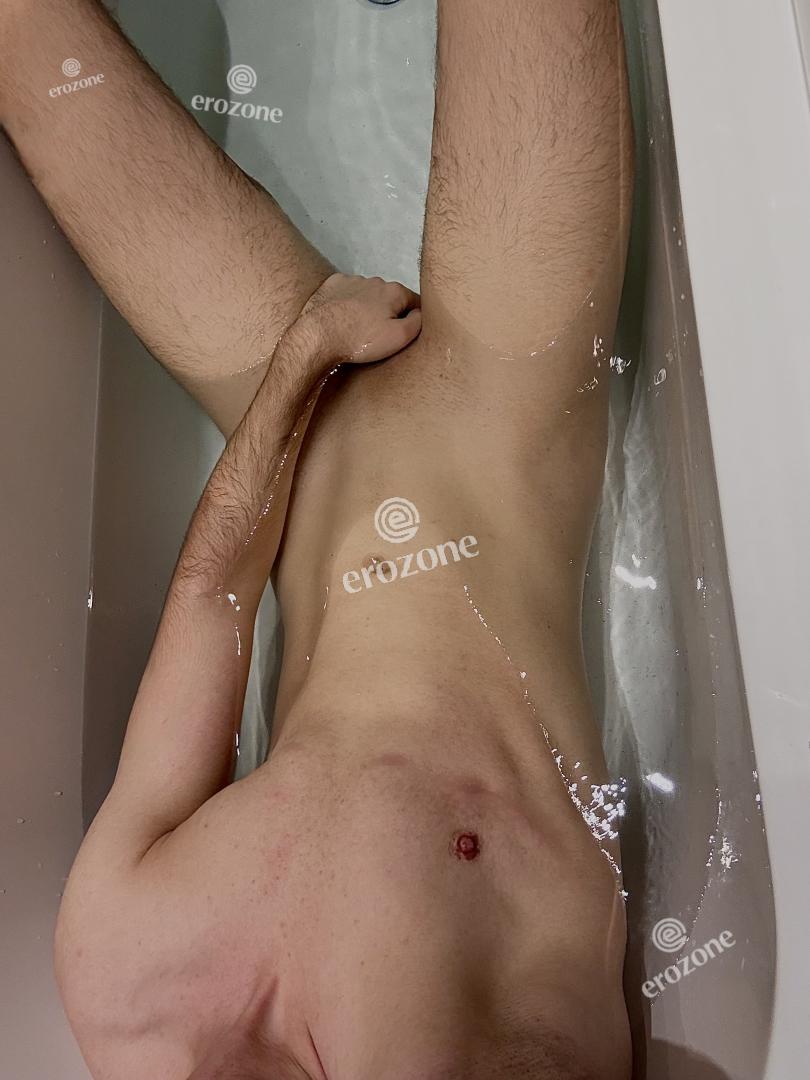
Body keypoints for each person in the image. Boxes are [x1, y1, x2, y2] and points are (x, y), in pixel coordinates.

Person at [1, 0, 635, 1076]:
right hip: (508, 409)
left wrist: (306, 357)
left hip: (306, 431)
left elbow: (213, 597)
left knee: (26, 42)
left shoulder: (123, 975)